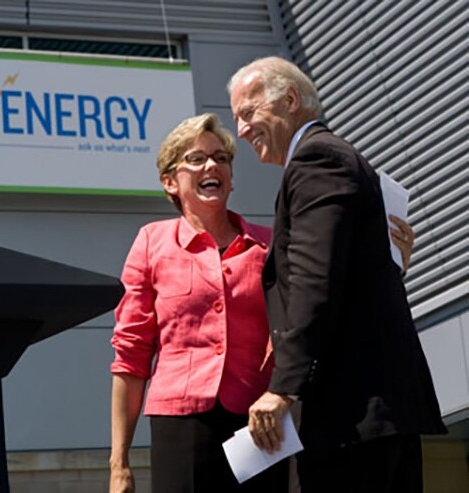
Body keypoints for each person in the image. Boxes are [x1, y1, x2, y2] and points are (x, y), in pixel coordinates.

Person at [107, 112, 416, 493]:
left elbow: (324, 302)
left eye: (222, 158)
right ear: (170, 182)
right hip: (181, 424)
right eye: (196, 158)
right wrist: (118, 464)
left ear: (231, 180)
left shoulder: (271, 243)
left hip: (262, 421)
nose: (212, 165)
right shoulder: (152, 242)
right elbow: (131, 355)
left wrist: (389, 265)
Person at [227, 56, 446, 493]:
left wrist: (282, 389)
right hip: (372, 415)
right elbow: (344, 275)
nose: (242, 131)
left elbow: (314, 282)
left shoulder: (316, 161)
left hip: (351, 418)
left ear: (290, 100)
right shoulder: (331, 160)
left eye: (248, 114)